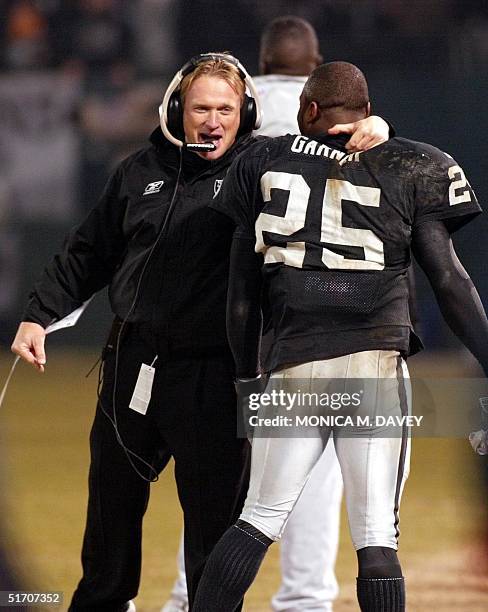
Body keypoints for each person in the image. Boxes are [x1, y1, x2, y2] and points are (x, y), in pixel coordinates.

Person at [11, 53, 390, 612]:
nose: (212, 120)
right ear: (175, 109)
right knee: (110, 515)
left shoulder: (264, 170)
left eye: (225, 109)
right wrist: (38, 314)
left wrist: (374, 130)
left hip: (215, 375)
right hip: (133, 363)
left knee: (214, 527)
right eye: (201, 108)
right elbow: (88, 251)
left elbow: (336, 161)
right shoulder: (137, 171)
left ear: (246, 114)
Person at [191, 61, 488, 612]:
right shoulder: (411, 165)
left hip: (291, 362)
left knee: (256, 518)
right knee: (376, 535)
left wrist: (244, 377)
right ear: (368, 113)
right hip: (372, 363)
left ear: (308, 111)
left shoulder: (260, 162)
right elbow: (448, 279)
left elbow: (240, 295)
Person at [161, 17, 342, 612]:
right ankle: (306, 598)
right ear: (314, 63)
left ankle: (192, 595)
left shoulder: (238, 106)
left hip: (232, 314)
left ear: (261, 60)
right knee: (314, 467)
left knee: (220, 472)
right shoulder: (339, 116)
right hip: (316, 316)